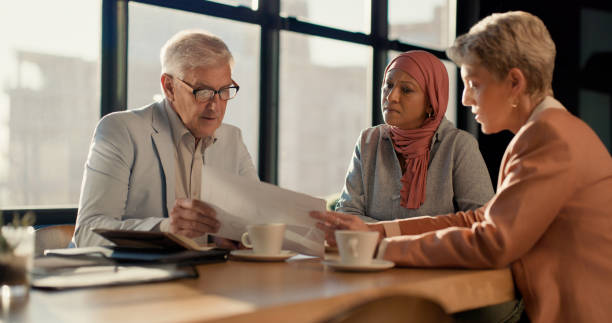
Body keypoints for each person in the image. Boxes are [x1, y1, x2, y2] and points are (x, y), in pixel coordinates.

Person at [312, 11, 612, 323]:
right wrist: (375, 233)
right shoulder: (546, 133)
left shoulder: (549, 138)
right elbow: (478, 219)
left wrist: (379, 247)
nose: (466, 99)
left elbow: (492, 242)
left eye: (474, 83)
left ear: (514, 82)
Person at [73, 30, 258, 248]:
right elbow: (87, 232)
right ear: (169, 87)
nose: (215, 106)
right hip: (137, 277)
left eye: (224, 90)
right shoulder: (121, 130)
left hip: (207, 276)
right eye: (203, 91)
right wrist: (167, 228)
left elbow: (255, 219)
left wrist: (231, 235)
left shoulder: (232, 139)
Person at [336, 50, 493, 222]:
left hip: (433, 250)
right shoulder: (368, 140)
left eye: (406, 90)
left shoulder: (459, 145)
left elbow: (481, 220)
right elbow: (347, 212)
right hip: (373, 249)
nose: (391, 96)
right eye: (388, 85)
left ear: (431, 102)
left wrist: (386, 233)